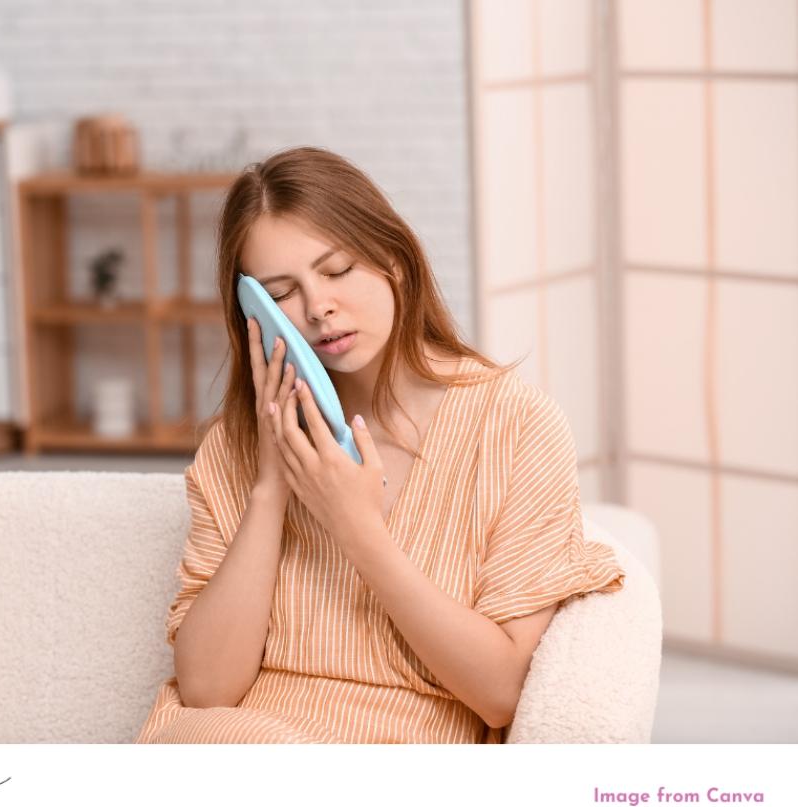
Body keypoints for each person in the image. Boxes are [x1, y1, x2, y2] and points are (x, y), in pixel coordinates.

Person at [134, 146, 625, 744]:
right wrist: (272, 486)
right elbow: (207, 691)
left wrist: (355, 526)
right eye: (281, 293)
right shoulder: (237, 446)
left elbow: (501, 696)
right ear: (253, 315)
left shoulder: (516, 425)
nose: (319, 308)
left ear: (392, 257)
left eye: (338, 270)